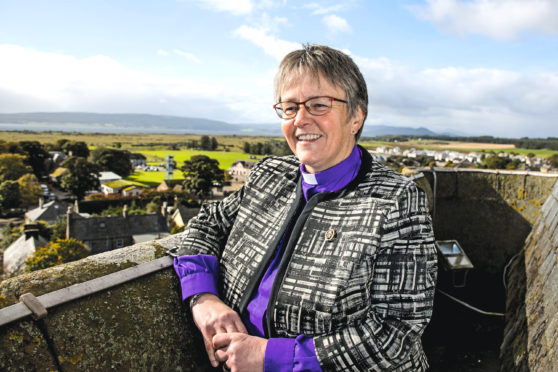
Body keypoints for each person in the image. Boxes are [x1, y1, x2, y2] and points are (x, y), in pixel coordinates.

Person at [169, 44, 437, 372]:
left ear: (356, 116)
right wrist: (203, 298)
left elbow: (396, 333)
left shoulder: (395, 201)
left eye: (318, 105)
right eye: (289, 107)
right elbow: (207, 223)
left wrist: (273, 357)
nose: (300, 120)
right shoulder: (269, 175)